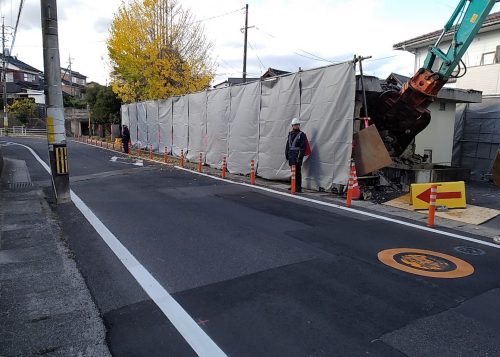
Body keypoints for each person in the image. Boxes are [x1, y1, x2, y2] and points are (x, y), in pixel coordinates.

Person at [285, 118, 308, 193]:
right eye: (295, 125)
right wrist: (286, 153)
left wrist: (300, 157)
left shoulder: (301, 135)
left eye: (297, 125)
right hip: (291, 155)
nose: (296, 126)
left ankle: (298, 187)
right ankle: (293, 185)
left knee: (297, 172)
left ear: (299, 125)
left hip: (297, 155)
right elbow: (288, 145)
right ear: (292, 125)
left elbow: (303, 147)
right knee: (292, 171)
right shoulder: (290, 134)